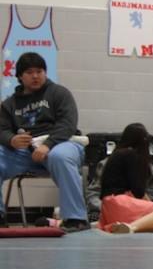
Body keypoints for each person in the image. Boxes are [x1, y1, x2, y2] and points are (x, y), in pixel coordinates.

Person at [0, 53, 89, 232]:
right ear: (19, 77)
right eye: (30, 72)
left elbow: (68, 124)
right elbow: (2, 130)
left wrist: (47, 145)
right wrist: (11, 139)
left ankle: (75, 218)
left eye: (39, 71)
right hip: (25, 152)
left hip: (61, 143)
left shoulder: (59, 93)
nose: (35, 76)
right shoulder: (9, 104)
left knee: (60, 156)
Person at [98, 123, 153, 234]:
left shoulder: (116, 155)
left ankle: (128, 227)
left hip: (109, 207)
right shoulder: (131, 155)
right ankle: (132, 227)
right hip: (120, 202)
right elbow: (138, 191)